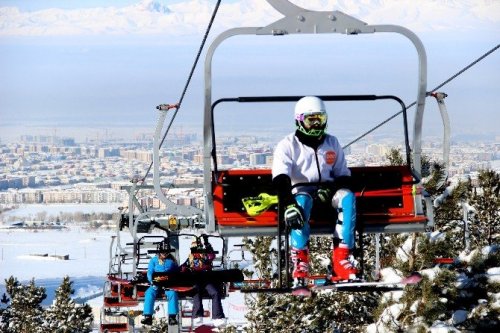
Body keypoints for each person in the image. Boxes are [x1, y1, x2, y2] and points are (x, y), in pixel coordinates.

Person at [272, 96, 358, 287]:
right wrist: (288, 203)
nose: (317, 125)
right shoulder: (288, 145)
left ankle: (342, 259)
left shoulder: (332, 143)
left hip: (327, 196)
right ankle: (300, 260)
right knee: (300, 204)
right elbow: (280, 178)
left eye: (320, 119)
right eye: (312, 120)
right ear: (300, 120)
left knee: (348, 197)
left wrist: (331, 188)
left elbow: (343, 175)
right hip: (301, 193)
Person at [181, 236, 226, 328]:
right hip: (196, 281)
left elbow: (212, 255)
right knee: (196, 292)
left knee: (215, 292)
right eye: (194, 249)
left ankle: (217, 317)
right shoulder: (190, 259)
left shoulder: (206, 256)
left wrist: (207, 243)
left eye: (198, 248)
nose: (196, 251)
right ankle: (197, 315)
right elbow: (182, 268)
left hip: (206, 280)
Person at [141, 248, 179, 326]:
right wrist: (152, 281)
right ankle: (148, 316)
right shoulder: (154, 260)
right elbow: (150, 272)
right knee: (149, 293)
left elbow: (176, 272)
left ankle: (172, 317)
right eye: (162, 253)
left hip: (168, 284)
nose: (164, 254)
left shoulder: (172, 261)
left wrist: (173, 280)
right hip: (156, 283)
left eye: (166, 253)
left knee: (173, 293)